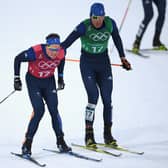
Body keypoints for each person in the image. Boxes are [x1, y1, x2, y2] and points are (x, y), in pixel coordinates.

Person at [61, 3, 131, 147]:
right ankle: (89, 135)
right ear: (90, 16)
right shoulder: (84, 26)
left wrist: (123, 58)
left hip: (104, 64)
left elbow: (117, 39)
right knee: (93, 97)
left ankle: (108, 135)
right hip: (87, 65)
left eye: (100, 17)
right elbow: (66, 44)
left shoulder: (110, 23)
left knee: (107, 99)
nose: (98, 20)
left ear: (104, 16)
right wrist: (52, 52)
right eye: (94, 17)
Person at [14, 33, 71, 156]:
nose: (55, 52)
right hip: (33, 81)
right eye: (52, 49)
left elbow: (62, 60)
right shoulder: (36, 51)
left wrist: (60, 77)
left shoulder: (61, 52)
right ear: (47, 46)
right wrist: (16, 78)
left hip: (49, 82)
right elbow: (17, 58)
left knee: (54, 110)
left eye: (57, 49)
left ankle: (60, 141)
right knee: (39, 110)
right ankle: (27, 144)